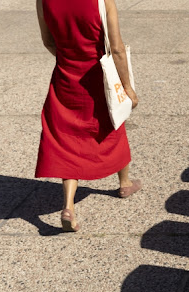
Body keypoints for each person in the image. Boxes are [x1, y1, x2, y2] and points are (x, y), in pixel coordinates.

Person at [35, 0, 140, 232]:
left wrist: (69, 60)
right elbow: (117, 48)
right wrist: (128, 88)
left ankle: (69, 206)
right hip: (97, 76)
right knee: (113, 125)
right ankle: (125, 183)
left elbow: (48, 41)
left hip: (66, 76)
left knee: (67, 140)